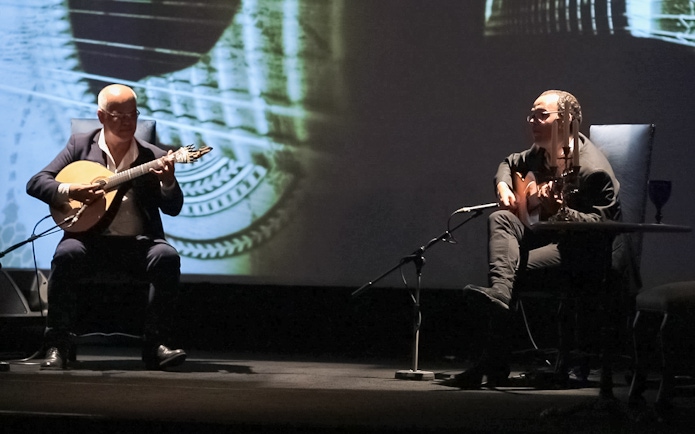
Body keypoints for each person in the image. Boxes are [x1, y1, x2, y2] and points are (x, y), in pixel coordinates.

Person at [441, 89, 623, 388]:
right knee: (501, 218)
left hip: (587, 253)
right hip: (552, 239)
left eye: (542, 115)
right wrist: (503, 186)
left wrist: (563, 213)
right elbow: (509, 162)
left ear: (567, 122)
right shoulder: (542, 151)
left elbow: (604, 227)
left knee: (510, 270)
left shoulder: (593, 170)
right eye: (531, 114)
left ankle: (491, 362)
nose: (532, 121)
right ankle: (500, 294)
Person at [26, 84, 187, 370]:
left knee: (167, 257)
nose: (127, 121)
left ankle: (156, 346)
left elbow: (172, 208)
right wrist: (71, 190)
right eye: (118, 114)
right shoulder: (80, 145)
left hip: (138, 244)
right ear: (101, 116)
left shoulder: (152, 155)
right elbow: (37, 183)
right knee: (66, 254)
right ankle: (56, 345)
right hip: (89, 242)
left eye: (132, 114)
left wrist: (168, 182)